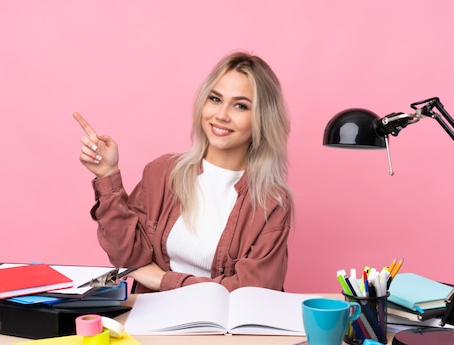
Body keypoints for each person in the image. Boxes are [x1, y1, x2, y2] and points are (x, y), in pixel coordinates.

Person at [73, 51, 293, 293]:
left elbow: (253, 289)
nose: (221, 115)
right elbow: (128, 256)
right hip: (153, 320)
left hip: (226, 328)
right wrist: (108, 175)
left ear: (262, 117)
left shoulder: (272, 202)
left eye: (240, 106)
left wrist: (162, 280)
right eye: (215, 99)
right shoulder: (163, 172)